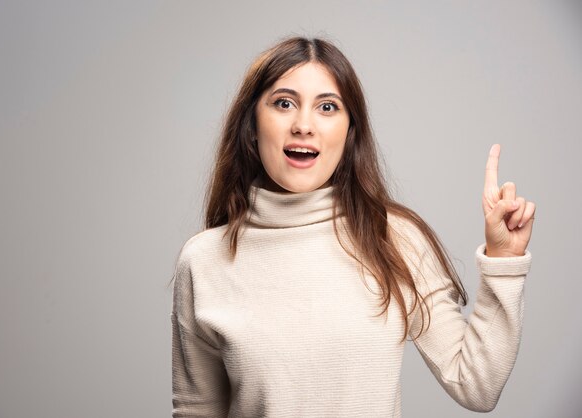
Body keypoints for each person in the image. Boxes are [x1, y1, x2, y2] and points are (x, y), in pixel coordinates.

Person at [170, 37, 535, 417]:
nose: (304, 125)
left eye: (327, 107)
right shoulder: (203, 260)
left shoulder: (393, 237)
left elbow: (476, 385)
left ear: (350, 132)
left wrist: (504, 261)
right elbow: (198, 409)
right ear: (252, 127)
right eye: (284, 103)